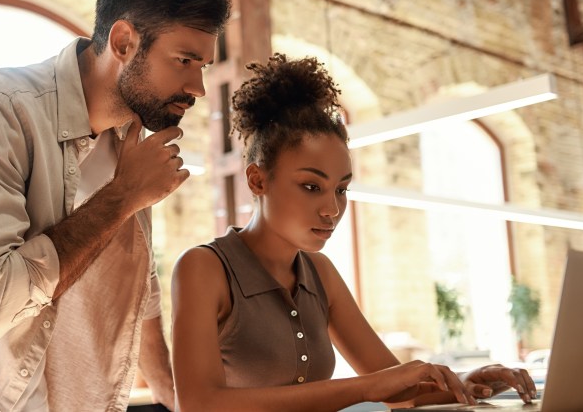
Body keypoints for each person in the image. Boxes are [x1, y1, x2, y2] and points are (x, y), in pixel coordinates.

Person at [0, 0, 231, 411]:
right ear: (123, 42)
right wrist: (123, 196)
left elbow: (141, 299)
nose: (198, 87)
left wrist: (177, 403)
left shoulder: (130, 139)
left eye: (202, 66)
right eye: (185, 60)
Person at [170, 54, 537, 411]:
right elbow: (199, 403)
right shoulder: (204, 268)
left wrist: (467, 381)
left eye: (341, 189)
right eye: (311, 186)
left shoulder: (321, 273)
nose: (332, 209)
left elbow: (396, 389)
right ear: (258, 179)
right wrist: (367, 389)